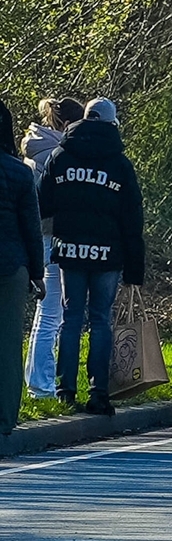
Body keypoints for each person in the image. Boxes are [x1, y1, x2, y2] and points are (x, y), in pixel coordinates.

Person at [39, 97, 145, 416]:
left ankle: (65, 391)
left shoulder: (61, 155)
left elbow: (43, 203)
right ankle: (98, 393)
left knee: (71, 318)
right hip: (108, 255)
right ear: (112, 123)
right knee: (100, 320)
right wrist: (134, 271)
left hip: (70, 249)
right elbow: (132, 220)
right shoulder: (120, 164)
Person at [22, 97, 85, 399]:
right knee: (51, 314)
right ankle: (41, 384)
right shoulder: (57, 154)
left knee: (46, 313)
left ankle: (38, 379)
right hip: (54, 238)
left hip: (40, 238)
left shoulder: (36, 149)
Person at [0, 99, 46, 435]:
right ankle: (4, 419)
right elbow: (31, 226)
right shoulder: (19, 172)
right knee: (7, 344)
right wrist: (37, 273)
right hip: (10, 266)